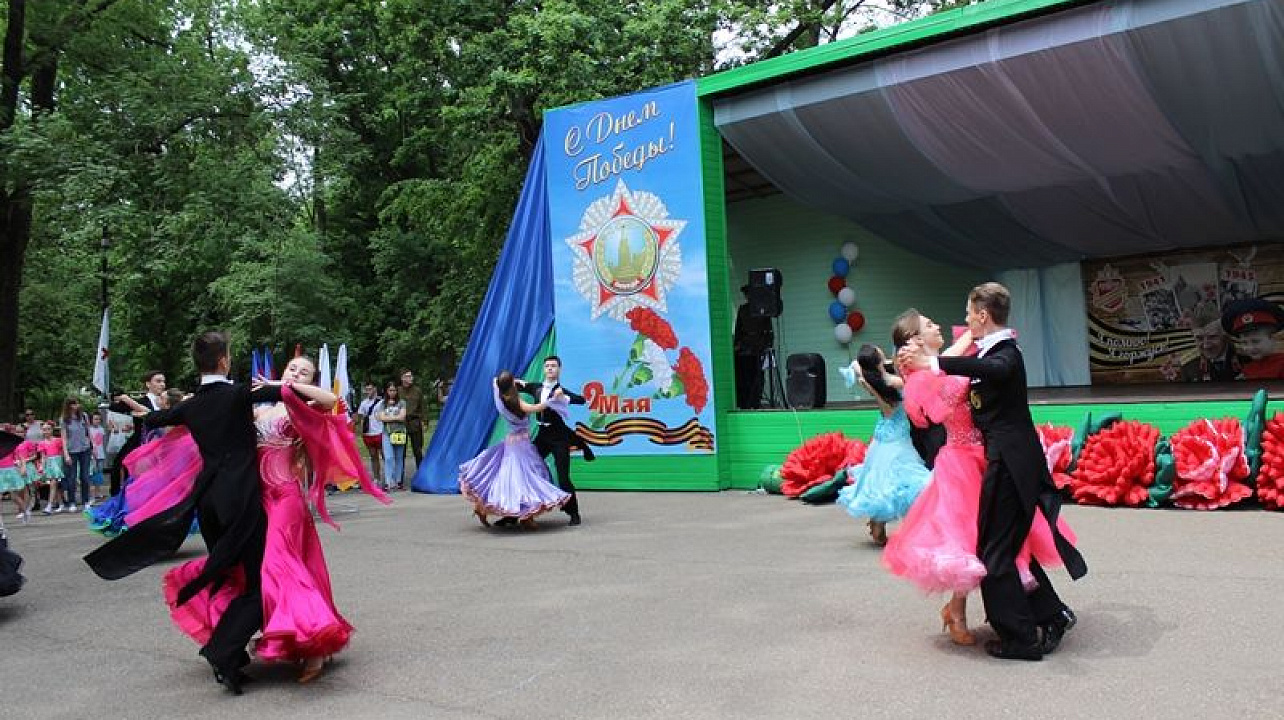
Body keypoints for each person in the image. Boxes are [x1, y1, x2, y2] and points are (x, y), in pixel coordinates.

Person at [159, 356, 389, 683]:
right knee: (254, 570)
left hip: (286, 496)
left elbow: (332, 400)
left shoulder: (301, 402)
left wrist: (286, 387)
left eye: (304, 371)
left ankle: (314, 644)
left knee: (278, 565)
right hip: (256, 499)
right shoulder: (259, 404)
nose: (296, 373)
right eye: (292, 369)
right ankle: (290, 635)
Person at [85, 331, 283, 694]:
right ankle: (223, 651)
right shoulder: (239, 393)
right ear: (223, 361)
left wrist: (134, 406)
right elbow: (288, 394)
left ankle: (232, 658)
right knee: (257, 584)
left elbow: (156, 419)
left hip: (208, 502)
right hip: (240, 499)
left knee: (227, 577)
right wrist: (277, 383)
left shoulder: (191, 406)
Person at [903, 285, 1087, 661]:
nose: (964, 321)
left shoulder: (1004, 354)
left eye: (969, 313)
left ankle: (1021, 638)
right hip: (984, 460)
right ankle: (1051, 615)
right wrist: (915, 370)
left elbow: (992, 369)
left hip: (1002, 461)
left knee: (997, 553)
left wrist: (932, 364)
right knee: (1007, 549)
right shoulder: (986, 350)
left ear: (983, 314)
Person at [837, 344, 930, 546]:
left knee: (882, 480)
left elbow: (855, 364)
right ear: (878, 359)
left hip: (883, 435)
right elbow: (894, 403)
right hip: (896, 435)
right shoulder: (886, 382)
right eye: (881, 353)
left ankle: (879, 522)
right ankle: (895, 525)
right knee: (905, 481)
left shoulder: (872, 377)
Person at [459, 371, 570, 527]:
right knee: (525, 478)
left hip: (511, 441)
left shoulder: (500, 397)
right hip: (521, 445)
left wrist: (514, 382)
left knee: (509, 478)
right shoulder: (516, 403)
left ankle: (484, 508)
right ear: (511, 385)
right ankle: (526, 517)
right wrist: (552, 400)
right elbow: (537, 407)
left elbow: (495, 380)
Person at [515, 356, 592, 526]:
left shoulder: (561, 390)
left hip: (559, 437)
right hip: (542, 435)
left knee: (563, 477)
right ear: (544, 369)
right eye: (547, 366)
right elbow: (518, 385)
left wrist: (564, 396)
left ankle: (574, 513)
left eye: (554, 366)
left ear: (559, 370)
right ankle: (517, 512)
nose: (550, 368)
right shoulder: (536, 387)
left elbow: (581, 400)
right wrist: (505, 381)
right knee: (525, 468)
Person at [107, 371, 166, 496]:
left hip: (162, 441)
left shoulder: (166, 401)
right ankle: (118, 496)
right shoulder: (140, 401)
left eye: (163, 381)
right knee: (120, 464)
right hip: (141, 440)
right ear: (148, 384)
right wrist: (122, 400)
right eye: (158, 381)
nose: (162, 384)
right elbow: (114, 407)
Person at [1221, 298, 1284, 380]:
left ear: (1272, 338)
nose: (1249, 347)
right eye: (1244, 342)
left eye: (1255, 341)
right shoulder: (1247, 370)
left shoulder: (1281, 366)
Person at [734, 289, 774, 409]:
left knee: (757, 377)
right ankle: (745, 402)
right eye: (746, 295)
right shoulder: (743, 309)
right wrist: (737, 344)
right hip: (745, 348)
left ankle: (755, 401)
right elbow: (738, 329)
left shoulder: (762, 309)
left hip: (759, 347)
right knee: (745, 377)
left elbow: (768, 329)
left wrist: (767, 344)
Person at [1180, 308, 1239, 382]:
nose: (1206, 346)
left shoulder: (1245, 359)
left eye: (1212, 337)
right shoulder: (1189, 366)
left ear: (1225, 336)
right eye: (1199, 338)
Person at [61, 398, 94, 510]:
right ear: (69, 406)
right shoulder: (64, 420)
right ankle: (72, 502)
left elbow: (88, 432)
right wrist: (66, 454)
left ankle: (86, 500)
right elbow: (64, 438)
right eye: (74, 404)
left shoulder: (84, 416)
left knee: (85, 476)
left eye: (77, 403)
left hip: (85, 448)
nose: (76, 406)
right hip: (71, 450)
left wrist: (92, 446)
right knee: (72, 477)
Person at [377, 382, 407, 491]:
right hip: (387, 433)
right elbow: (381, 417)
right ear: (386, 391)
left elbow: (402, 416)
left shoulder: (401, 403)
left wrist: (389, 417)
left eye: (394, 390)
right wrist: (395, 417)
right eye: (390, 390)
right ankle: (388, 482)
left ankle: (398, 481)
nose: (392, 392)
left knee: (399, 457)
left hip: (399, 432)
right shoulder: (382, 404)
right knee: (389, 457)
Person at [355, 382, 384, 483]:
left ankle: (389, 476)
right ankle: (377, 477)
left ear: (375, 389)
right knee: (373, 455)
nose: (368, 391)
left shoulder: (381, 401)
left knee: (384, 455)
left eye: (370, 389)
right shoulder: (364, 403)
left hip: (379, 431)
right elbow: (359, 417)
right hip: (368, 433)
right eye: (367, 389)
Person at [399, 370, 426, 470]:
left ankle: (421, 473)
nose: (410, 378)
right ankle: (399, 477)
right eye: (407, 376)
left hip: (414, 422)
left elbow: (423, 406)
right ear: (402, 378)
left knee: (418, 450)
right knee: (401, 451)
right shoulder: (398, 391)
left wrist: (425, 421)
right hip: (401, 424)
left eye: (411, 376)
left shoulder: (417, 391)